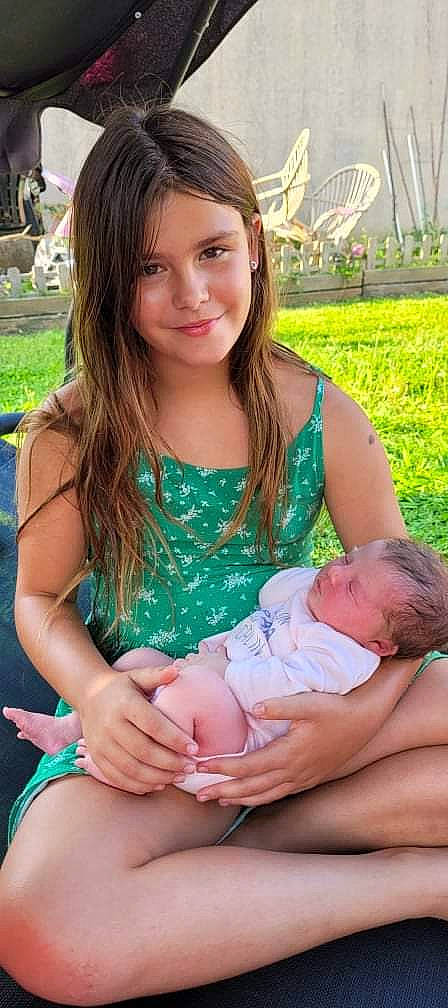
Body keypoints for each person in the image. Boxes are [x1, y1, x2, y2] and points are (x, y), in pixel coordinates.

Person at [1, 103, 448, 1006]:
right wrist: (95, 695)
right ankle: (407, 880)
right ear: (105, 283)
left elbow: (405, 614)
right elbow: (39, 600)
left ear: (252, 241)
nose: (193, 295)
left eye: (210, 252)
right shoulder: (71, 430)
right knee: (44, 929)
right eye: (148, 269)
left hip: (315, 707)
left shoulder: (321, 415)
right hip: (166, 727)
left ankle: (253, 840)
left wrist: (352, 728)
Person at [4, 537, 448, 797]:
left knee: (189, 691)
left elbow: (274, 693)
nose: (334, 574)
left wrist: (218, 671)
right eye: (347, 559)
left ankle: (129, 766)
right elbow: (275, 592)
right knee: (137, 663)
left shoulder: (341, 656)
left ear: (379, 644)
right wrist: (315, 583)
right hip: (215, 687)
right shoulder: (319, 604)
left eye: (353, 589)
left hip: (242, 736)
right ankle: (72, 728)